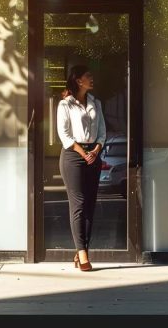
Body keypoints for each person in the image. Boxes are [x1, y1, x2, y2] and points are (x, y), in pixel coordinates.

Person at [56, 65, 106, 272]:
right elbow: (64, 134)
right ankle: (83, 252)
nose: (91, 79)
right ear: (78, 80)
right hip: (73, 156)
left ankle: (81, 251)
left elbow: (102, 131)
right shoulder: (65, 105)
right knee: (78, 203)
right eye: (88, 76)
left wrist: (95, 150)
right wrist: (82, 152)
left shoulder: (96, 103)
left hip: (93, 156)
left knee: (90, 205)